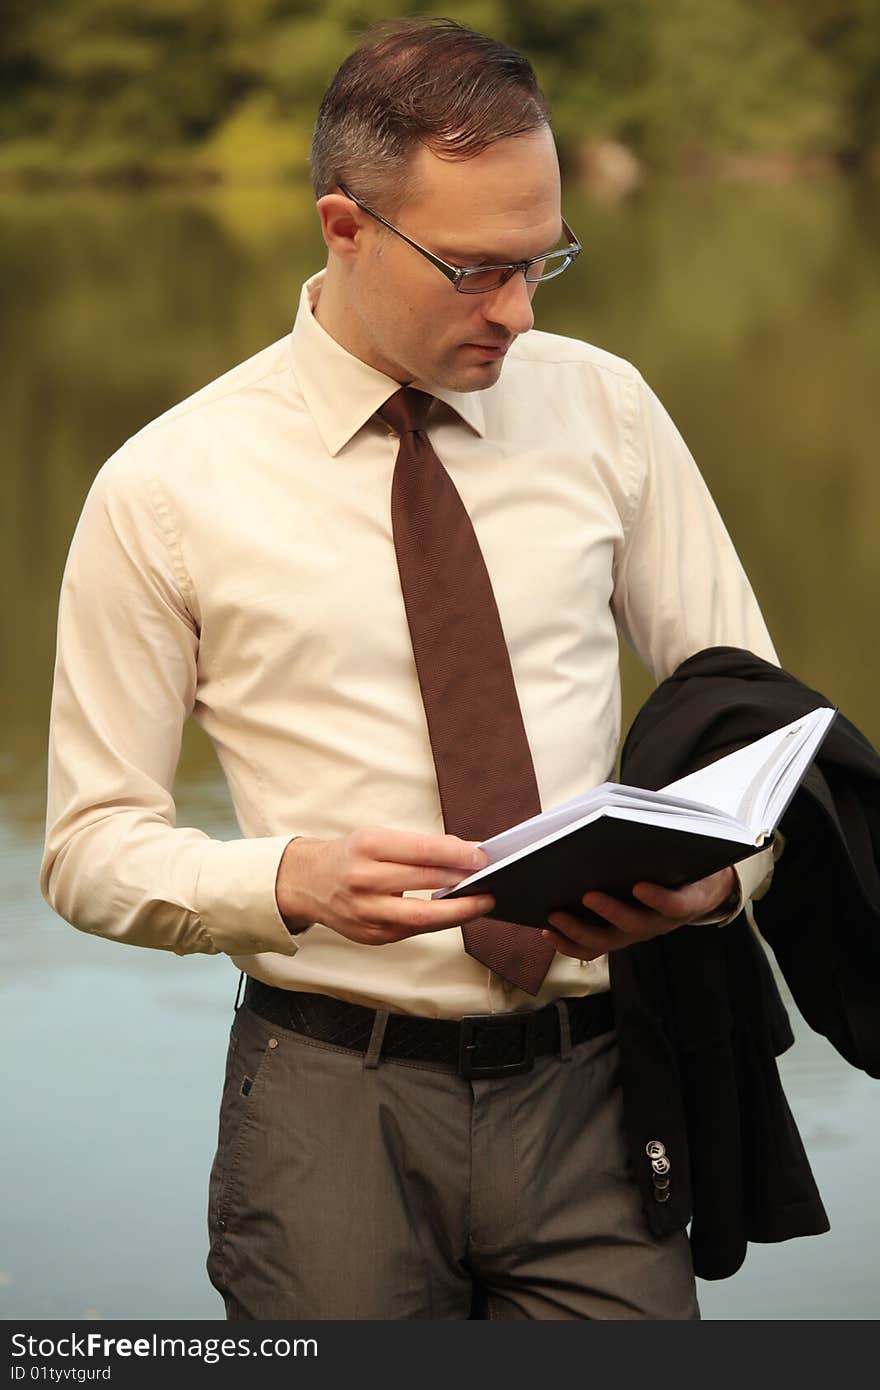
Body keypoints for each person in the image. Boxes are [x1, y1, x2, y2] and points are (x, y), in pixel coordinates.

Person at [40, 18, 781, 1320]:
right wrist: (283, 879)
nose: (520, 311)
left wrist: (721, 875)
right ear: (345, 226)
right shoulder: (161, 489)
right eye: (476, 270)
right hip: (331, 1113)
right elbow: (89, 848)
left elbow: (756, 724)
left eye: (543, 259)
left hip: (601, 1097)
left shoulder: (605, 408)